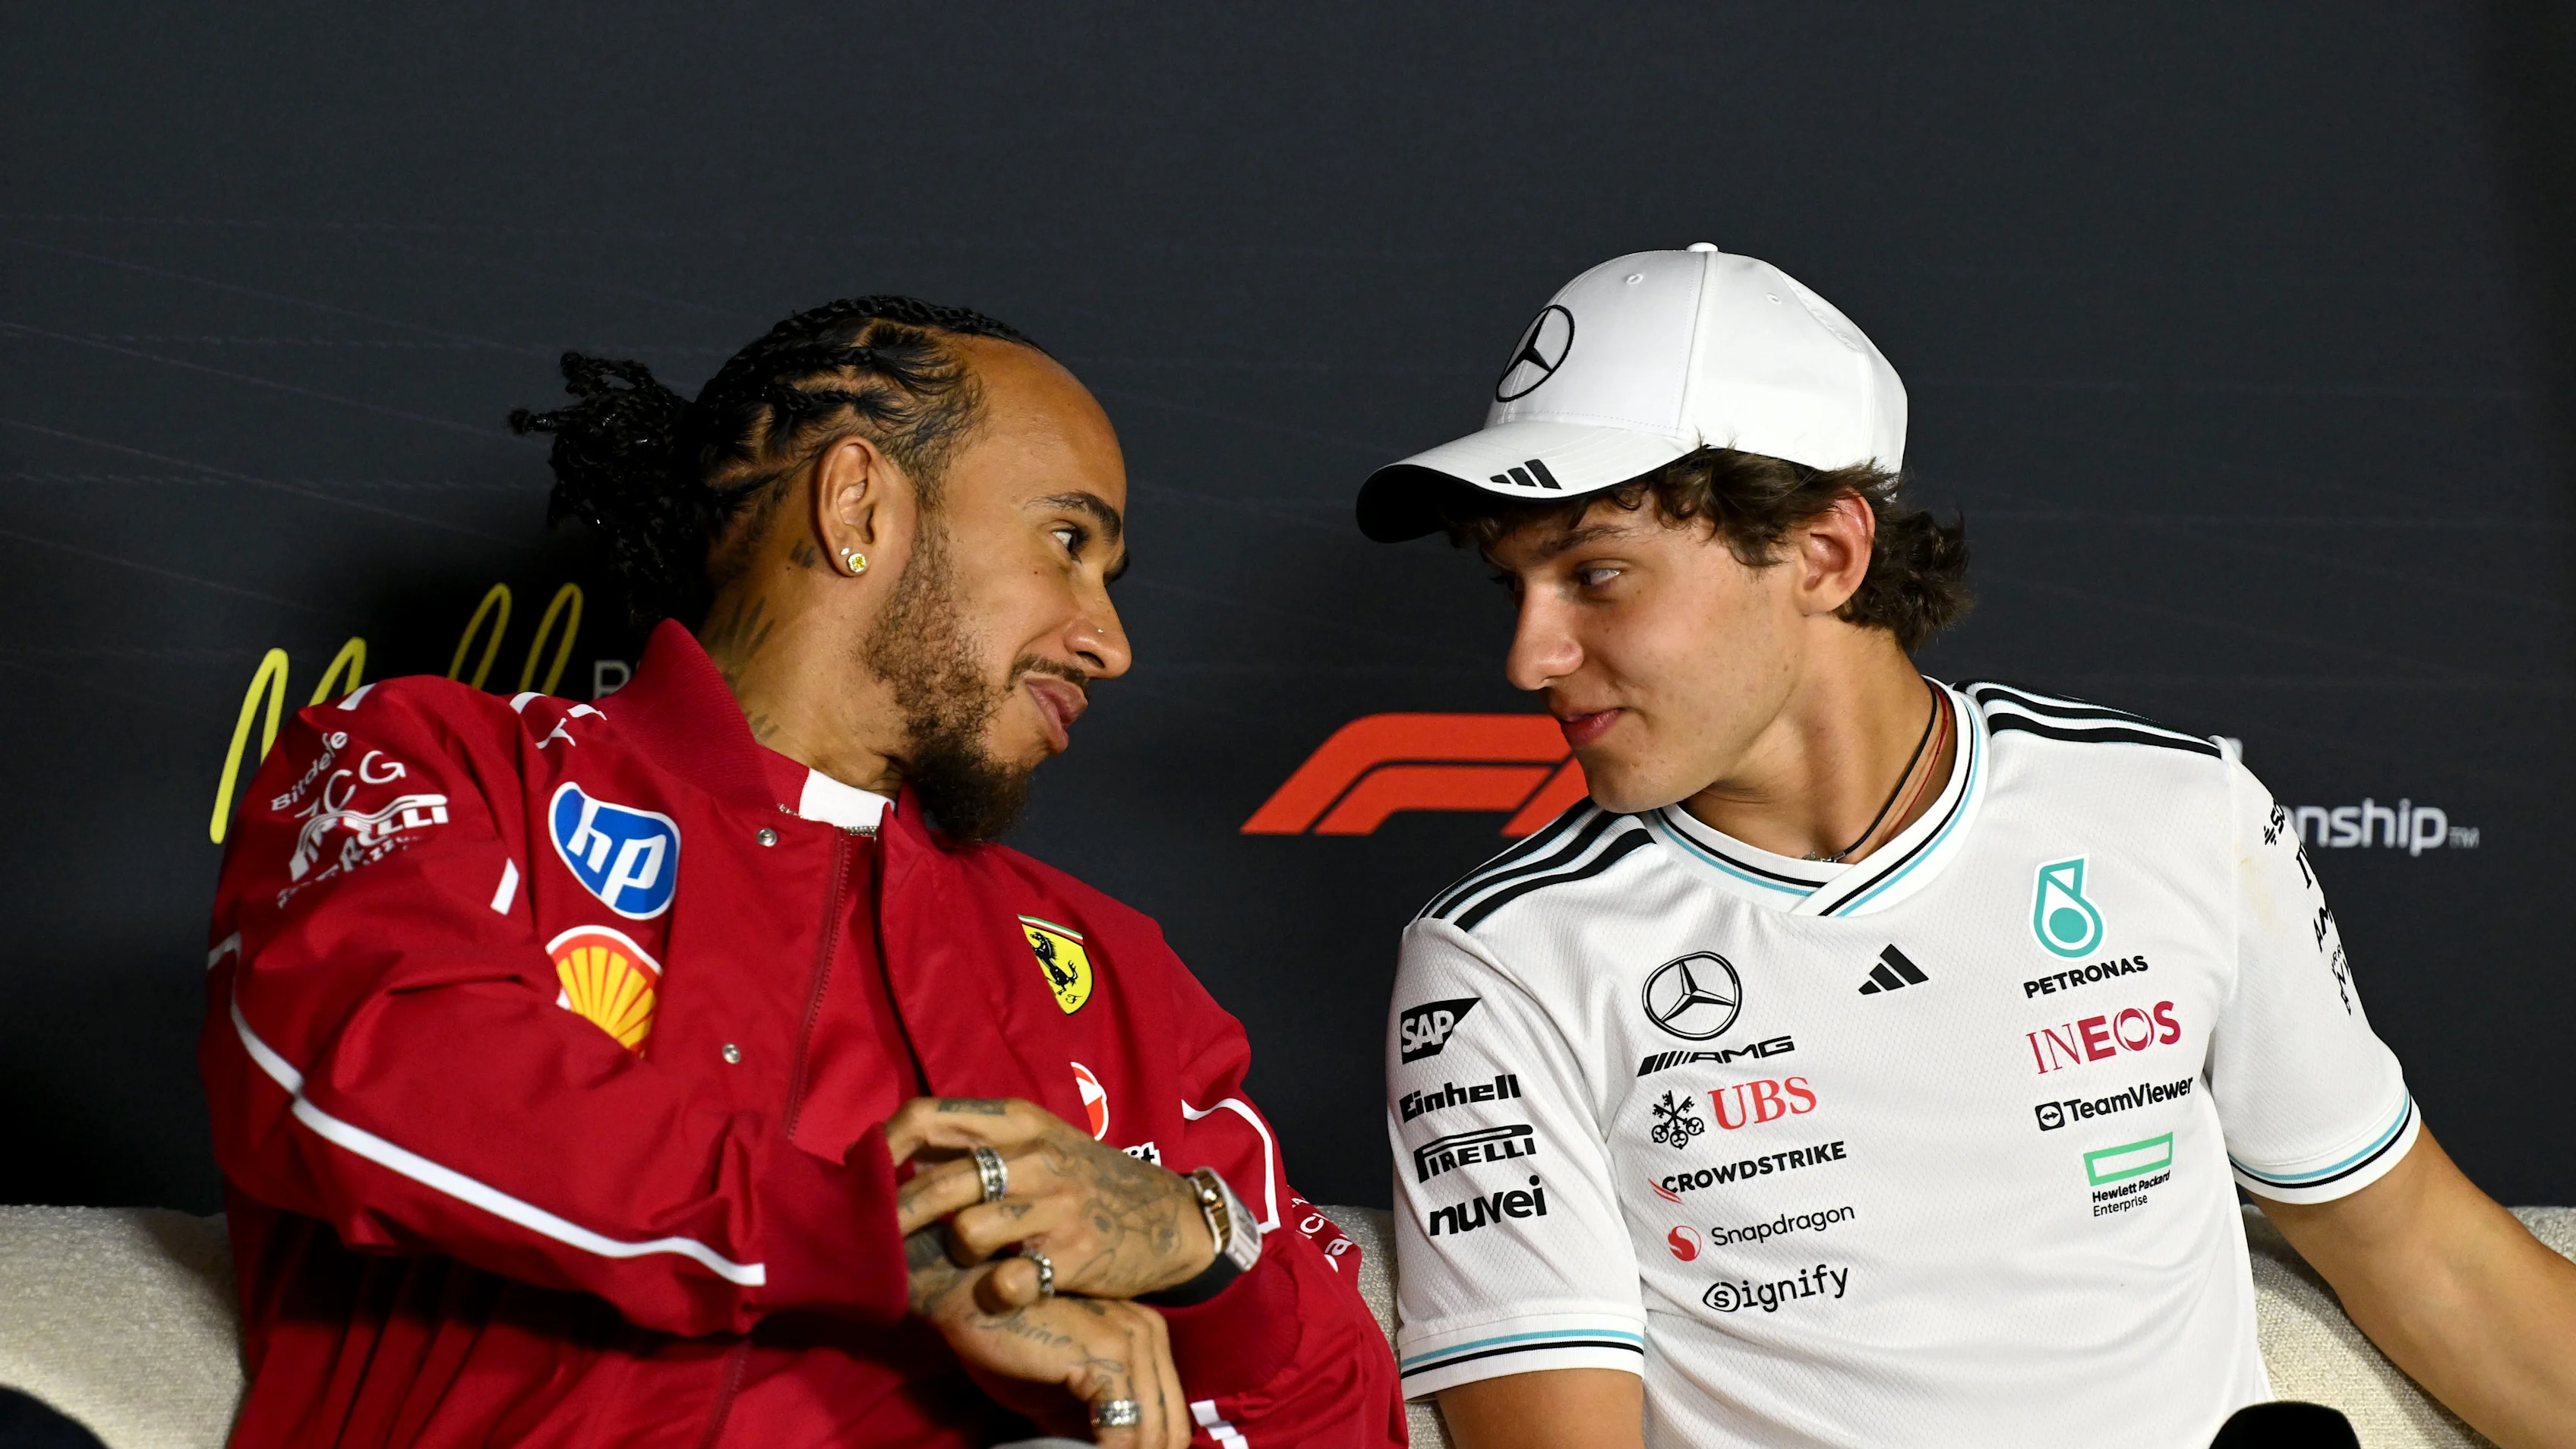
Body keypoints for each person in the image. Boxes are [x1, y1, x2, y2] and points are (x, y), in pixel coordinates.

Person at [1357, 246, 2576, 1448]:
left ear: (1826, 554)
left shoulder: (2177, 811)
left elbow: (2426, 1255)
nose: (1529, 659)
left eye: (1598, 575)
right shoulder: (1502, 961)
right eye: (1514, 588)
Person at [202, 296, 1402, 1449]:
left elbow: (1339, 1408)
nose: (1110, 641)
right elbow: (387, 1080)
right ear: (857, 503)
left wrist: (1203, 1256)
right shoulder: (445, 765)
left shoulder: (1107, 969)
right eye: (1068, 543)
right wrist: (895, 1243)